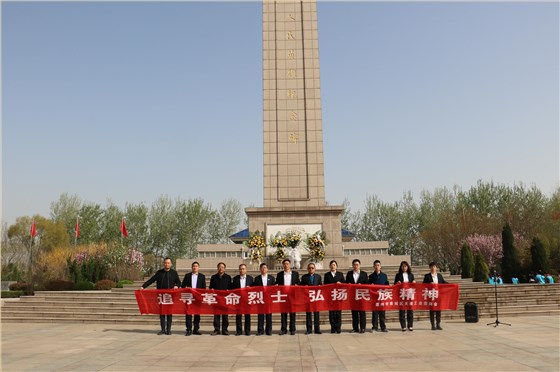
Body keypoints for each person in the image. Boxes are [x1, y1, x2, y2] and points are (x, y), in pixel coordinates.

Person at [140, 257, 181, 335]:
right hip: (161, 296)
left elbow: (179, 282)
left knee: (169, 313)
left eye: (168, 263)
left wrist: (177, 286)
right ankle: (162, 329)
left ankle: (168, 330)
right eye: (165, 263)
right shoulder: (159, 273)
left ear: (171, 264)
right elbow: (151, 280)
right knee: (162, 313)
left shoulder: (174, 273)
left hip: (170, 296)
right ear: (163, 264)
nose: (166, 264)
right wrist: (143, 287)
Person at [181, 261, 206, 336]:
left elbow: (203, 288)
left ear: (198, 267)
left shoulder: (202, 276)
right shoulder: (187, 276)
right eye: (193, 266)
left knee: (197, 314)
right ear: (191, 267)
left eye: (196, 266)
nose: (195, 267)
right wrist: (186, 288)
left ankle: (196, 329)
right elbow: (182, 286)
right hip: (189, 297)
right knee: (188, 314)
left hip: (197, 298)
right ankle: (188, 329)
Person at [276, 258, 300, 335]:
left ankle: (292, 329)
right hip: (283, 296)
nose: (286, 265)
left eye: (287, 264)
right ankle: (283, 329)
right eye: (285, 264)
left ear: (290, 265)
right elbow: (277, 283)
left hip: (292, 296)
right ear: (283, 265)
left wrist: (297, 285)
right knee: (283, 313)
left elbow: (298, 283)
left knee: (292, 313)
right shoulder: (279, 274)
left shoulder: (295, 274)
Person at [423, 262, 448, 330]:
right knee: (432, 310)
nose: (433, 268)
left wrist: (452, 285)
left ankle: (438, 324)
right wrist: (429, 284)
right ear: (430, 268)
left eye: (434, 266)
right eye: (431, 267)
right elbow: (423, 285)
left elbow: (443, 282)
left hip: (438, 295)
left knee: (438, 310)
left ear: (436, 268)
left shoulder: (439, 276)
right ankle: (432, 325)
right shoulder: (427, 276)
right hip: (431, 295)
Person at [346, 258, 368, 333]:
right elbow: (346, 283)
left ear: (360, 265)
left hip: (361, 295)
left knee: (362, 313)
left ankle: (363, 328)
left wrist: (361, 285)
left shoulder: (364, 274)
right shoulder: (349, 274)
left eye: (357, 265)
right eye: (354, 265)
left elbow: (367, 284)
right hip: (353, 296)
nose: (356, 266)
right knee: (354, 313)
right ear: (352, 265)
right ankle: (355, 328)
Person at [231, 263, 254, 336]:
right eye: (240, 269)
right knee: (238, 316)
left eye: (243, 269)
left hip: (247, 300)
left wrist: (250, 288)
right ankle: (239, 331)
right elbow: (233, 289)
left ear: (246, 270)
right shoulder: (235, 278)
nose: (242, 270)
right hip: (238, 300)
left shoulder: (250, 278)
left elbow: (254, 288)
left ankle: (247, 331)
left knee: (247, 316)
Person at [209, 262, 232, 335]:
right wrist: (211, 290)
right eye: (219, 267)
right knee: (216, 315)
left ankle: (225, 330)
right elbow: (210, 287)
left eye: (222, 267)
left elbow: (230, 287)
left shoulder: (228, 277)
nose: (220, 268)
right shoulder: (213, 277)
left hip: (225, 299)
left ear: (224, 269)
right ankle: (217, 329)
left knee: (225, 316)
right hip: (216, 299)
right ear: (217, 268)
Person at [253, 262, 275, 335]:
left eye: (265, 268)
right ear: (260, 269)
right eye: (262, 268)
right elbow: (254, 289)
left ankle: (268, 331)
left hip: (269, 299)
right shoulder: (257, 278)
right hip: (260, 299)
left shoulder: (271, 278)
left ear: (267, 269)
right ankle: (260, 330)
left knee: (269, 316)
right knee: (260, 316)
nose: (263, 269)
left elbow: (274, 288)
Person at [323, 259, 345, 333]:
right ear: (329, 266)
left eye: (334, 265)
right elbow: (325, 285)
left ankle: (338, 327)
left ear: (336, 266)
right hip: (331, 296)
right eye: (331, 265)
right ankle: (333, 327)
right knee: (331, 313)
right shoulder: (327, 275)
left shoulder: (340, 274)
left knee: (338, 313)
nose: (333, 266)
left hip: (338, 296)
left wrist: (340, 283)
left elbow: (344, 284)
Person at [301, 262, 322, 335]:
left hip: (316, 298)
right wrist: (304, 287)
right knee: (308, 314)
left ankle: (317, 329)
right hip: (308, 298)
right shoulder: (304, 277)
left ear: (315, 269)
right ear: (307, 269)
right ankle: (309, 329)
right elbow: (301, 287)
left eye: (312, 268)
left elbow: (321, 286)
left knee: (316, 314)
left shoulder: (318, 276)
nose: (311, 269)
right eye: (309, 268)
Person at [394, 260, 415, 331]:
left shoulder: (411, 275)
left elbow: (413, 284)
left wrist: (414, 282)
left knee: (410, 310)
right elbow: (394, 285)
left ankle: (410, 325)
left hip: (409, 294)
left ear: (408, 267)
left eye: (405, 266)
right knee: (402, 310)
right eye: (402, 266)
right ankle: (403, 325)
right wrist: (397, 283)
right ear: (401, 267)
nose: (404, 267)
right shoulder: (398, 275)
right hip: (401, 294)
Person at [369, 260, 389, 333]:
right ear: (373, 267)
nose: (377, 266)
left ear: (380, 266)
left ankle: (383, 327)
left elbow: (387, 284)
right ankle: (374, 327)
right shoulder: (371, 276)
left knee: (382, 313)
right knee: (375, 313)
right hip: (374, 297)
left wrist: (386, 290)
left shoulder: (384, 276)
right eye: (375, 265)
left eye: (378, 265)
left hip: (382, 296)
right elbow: (368, 286)